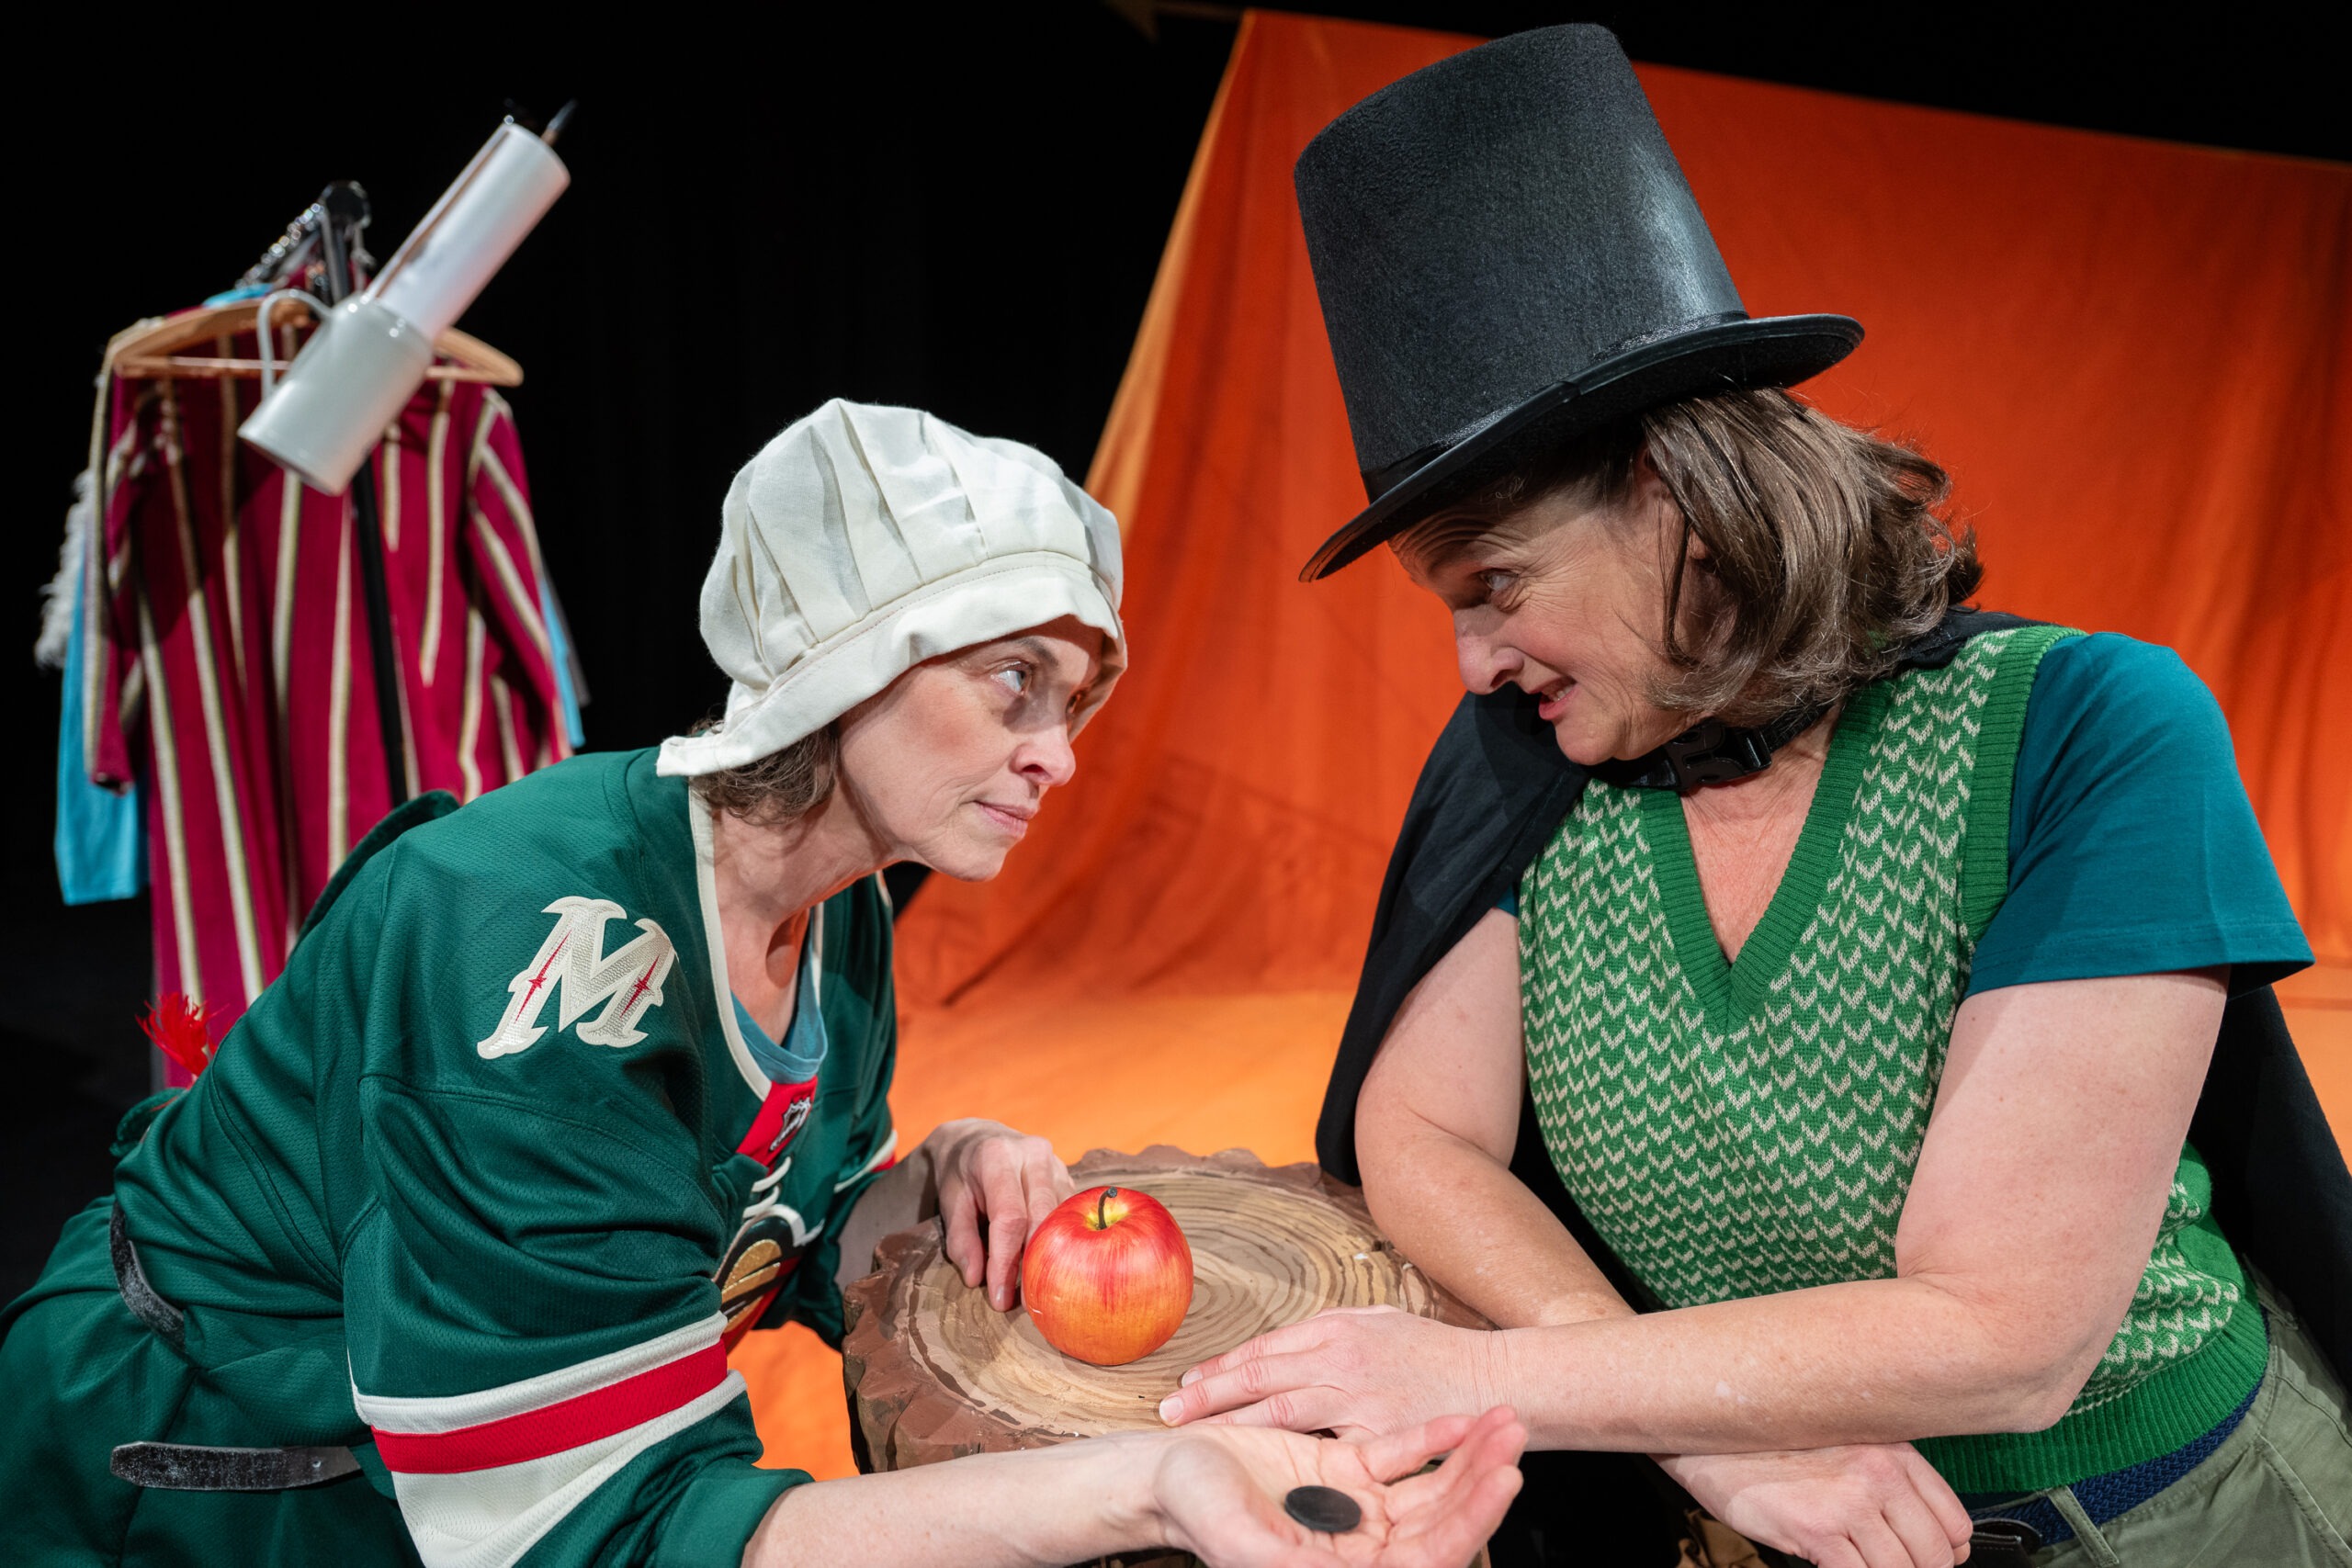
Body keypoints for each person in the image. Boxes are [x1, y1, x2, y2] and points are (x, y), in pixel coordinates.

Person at [1155, 28, 2352, 1568]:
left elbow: (2008, 1334)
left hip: (2175, 1521)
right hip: (1783, 1535)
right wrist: (1694, 1427)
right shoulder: (1530, 769)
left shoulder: (2084, 726)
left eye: (1495, 583)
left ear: (1682, 504)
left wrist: (1490, 1378)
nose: (1471, 664)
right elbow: (1424, 1132)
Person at [0, 400, 1525, 1568]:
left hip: (401, 1452)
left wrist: (920, 1179)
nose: (1059, 757)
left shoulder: (839, 907)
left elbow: (731, 1221)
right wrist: (1147, 1484)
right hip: (204, 1467)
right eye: (1014, 684)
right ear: (850, 656)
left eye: (1073, 704)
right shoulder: (535, 943)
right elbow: (607, 1526)